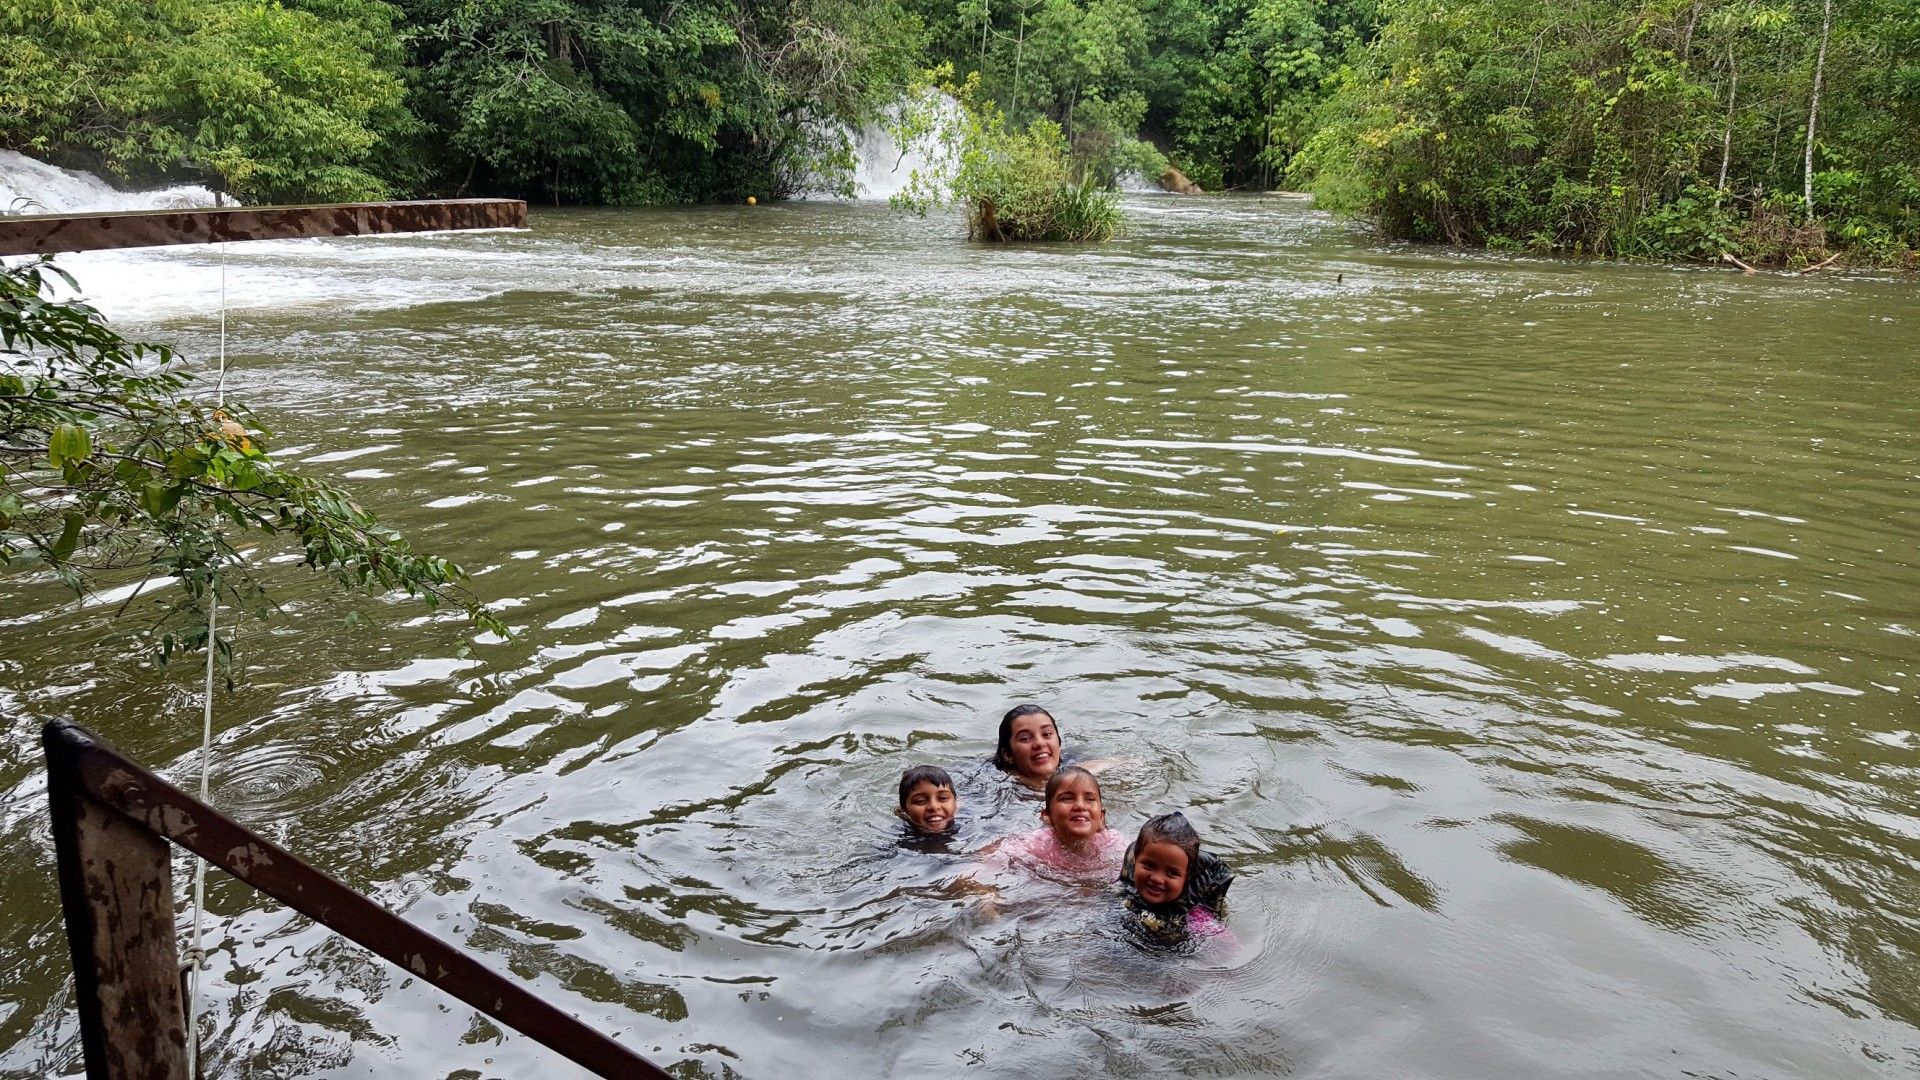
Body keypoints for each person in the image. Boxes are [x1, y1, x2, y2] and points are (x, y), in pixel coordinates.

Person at [1118, 811, 1234, 942]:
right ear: (1136, 860)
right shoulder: (1123, 892)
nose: (1157, 878)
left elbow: (1227, 950)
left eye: (1172, 873)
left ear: (1187, 876)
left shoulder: (1199, 920)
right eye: (1149, 865)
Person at [992, 766, 1125, 876]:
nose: (1080, 805)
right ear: (1048, 816)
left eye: (1090, 799)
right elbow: (990, 861)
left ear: (1101, 817)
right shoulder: (1035, 846)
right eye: (1067, 798)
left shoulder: (1113, 843)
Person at [896, 764, 959, 836]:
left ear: (956, 803)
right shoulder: (899, 834)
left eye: (943, 798)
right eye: (920, 801)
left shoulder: (968, 824)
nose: (934, 807)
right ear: (905, 809)